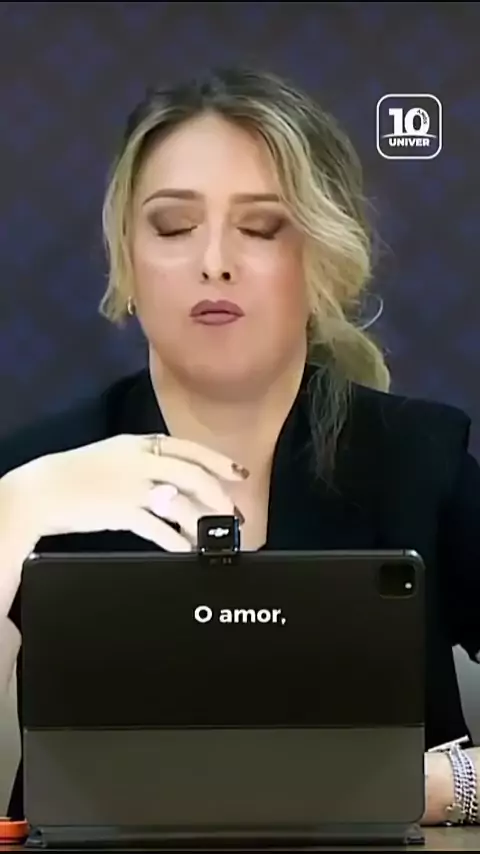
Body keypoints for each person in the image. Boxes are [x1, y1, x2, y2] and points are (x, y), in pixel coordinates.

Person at [0, 65, 479, 827]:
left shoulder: (420, 461)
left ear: (322, 257)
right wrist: (12, 517)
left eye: (260, 228)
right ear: (127, 258)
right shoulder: (37, 473)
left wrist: (436, 786)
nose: (214, 261)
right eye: (173, 226)